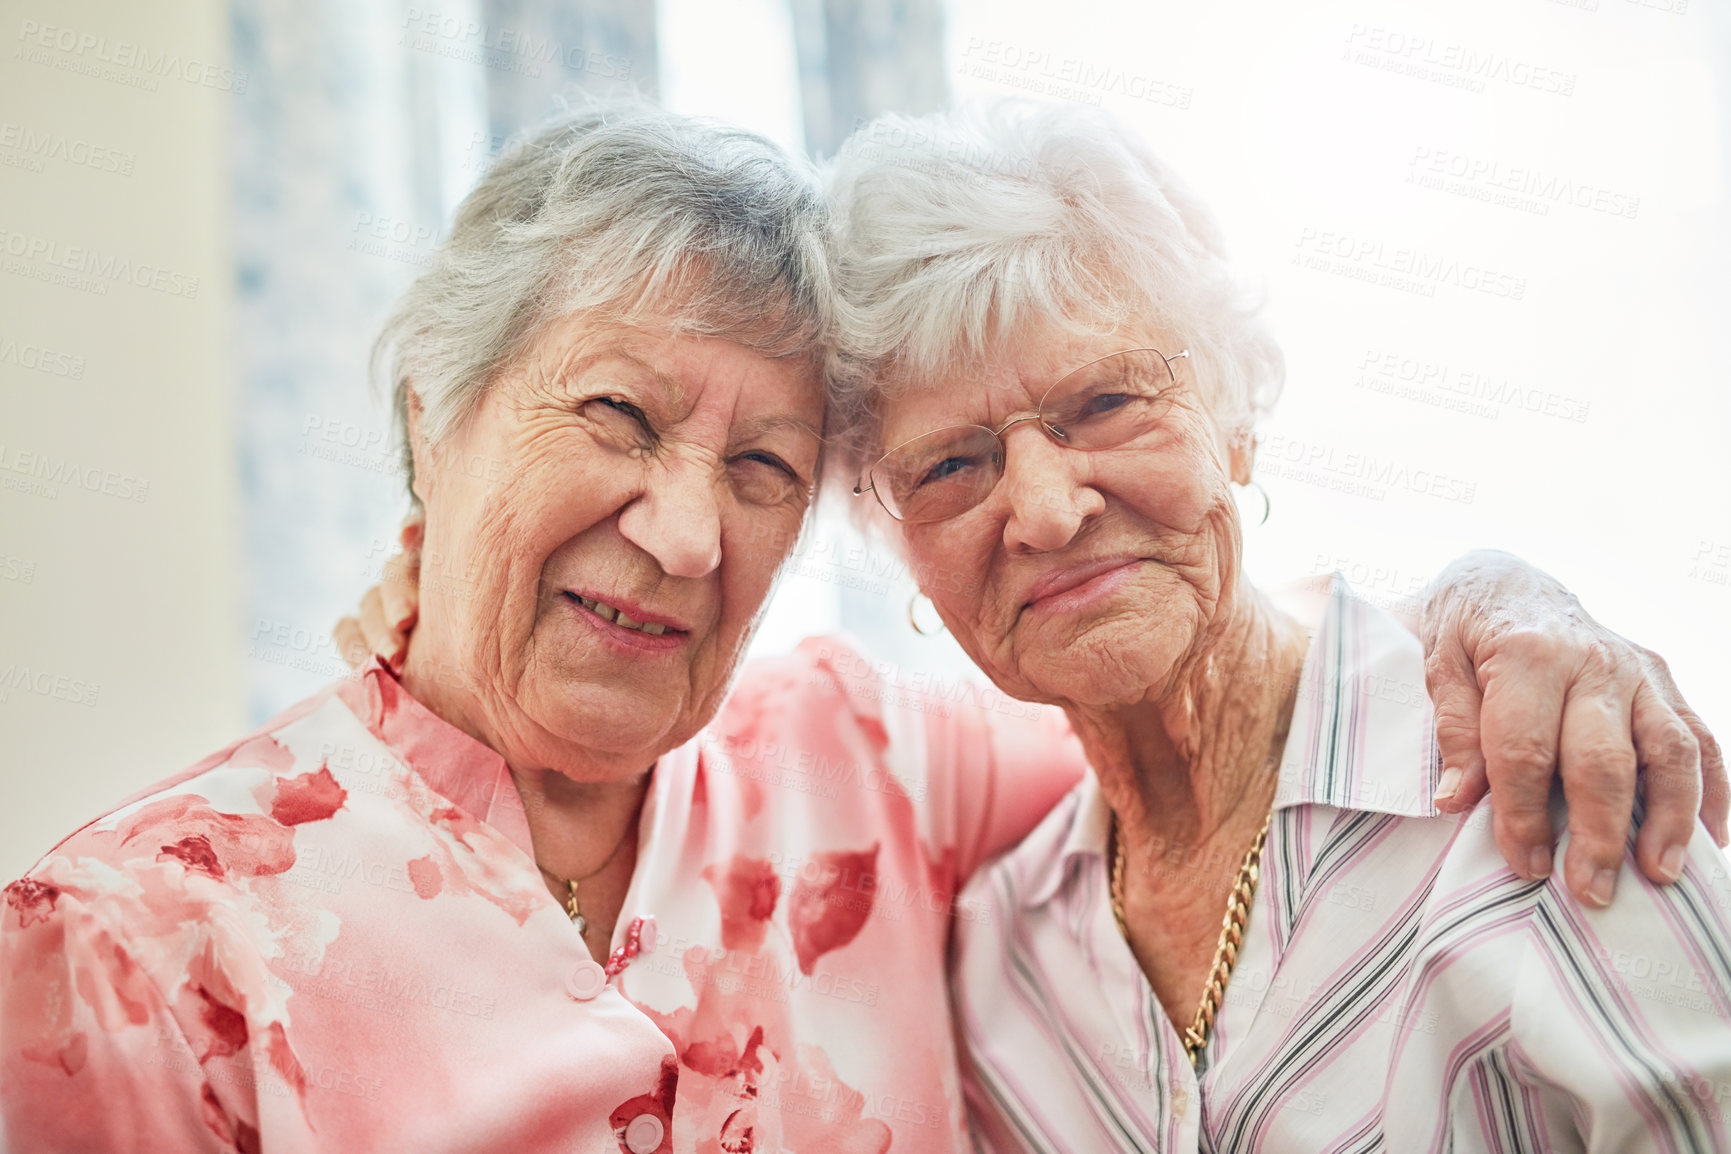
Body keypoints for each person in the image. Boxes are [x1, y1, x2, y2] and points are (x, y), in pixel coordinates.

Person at [0, 102, 1716, 1154]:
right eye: (611, 415)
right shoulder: (136, 952)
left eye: (760, 464)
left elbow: (1198, 698)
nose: (682, 528)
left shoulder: (860, 758)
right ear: (433, 409)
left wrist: (1504, 594)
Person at [821, 100, 1731, 1150]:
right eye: (949, 465)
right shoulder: (997, 971)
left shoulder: (1525, 775)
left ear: (1236, 424)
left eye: (1110, 401)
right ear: (902, 555)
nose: (1045, 506)